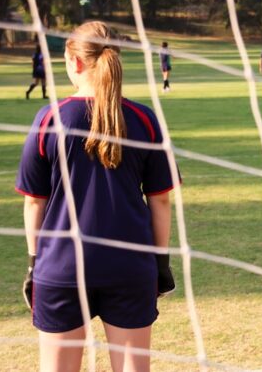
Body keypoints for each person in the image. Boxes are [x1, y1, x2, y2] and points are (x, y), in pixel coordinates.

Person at [16, 21, 176, 372]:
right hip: (130, 266)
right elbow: (160, 200)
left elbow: (34, 201)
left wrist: (33, 264)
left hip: (61, 267)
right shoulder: (145, 120)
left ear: (74, 63)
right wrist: (161, 264)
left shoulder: (49, 119)